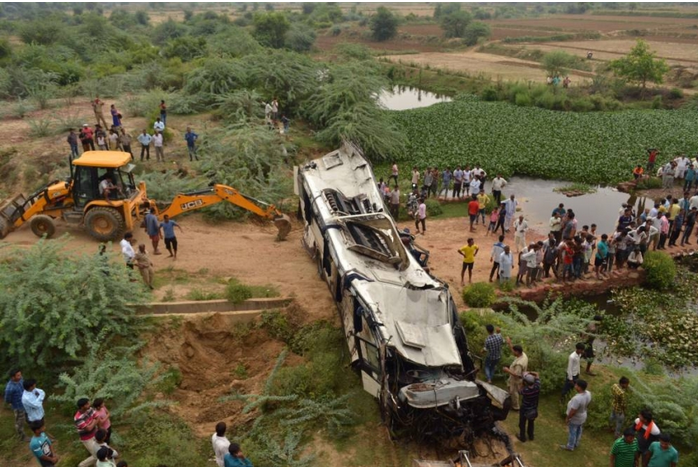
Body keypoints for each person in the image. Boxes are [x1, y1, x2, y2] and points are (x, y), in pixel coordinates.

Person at [560, 379, 591, 451]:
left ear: (579, 388)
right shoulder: (588, 393)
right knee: (579, 430)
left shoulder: (577, 399)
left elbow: (573, 411)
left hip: (575, 418)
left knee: (572, 432)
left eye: (576, 385)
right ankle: (576, 443)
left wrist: (568, 418)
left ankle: (570, 446)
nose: (575, 386)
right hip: (583, 415)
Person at [503, 339, 527, 411]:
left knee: (514, 392)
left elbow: (517, 375)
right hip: (514, 378)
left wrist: (507, 370)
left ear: (517, 352)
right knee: (511, 389)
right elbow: (514, 350)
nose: (513, 352)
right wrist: (509, 343)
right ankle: (511, 400)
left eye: (514, 351)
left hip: (516, 379)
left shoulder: (519, 364)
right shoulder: (523, 354)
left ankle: (516, 407)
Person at [74, 398, 99, 467]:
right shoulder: (78, 418)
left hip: (95, 433)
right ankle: (82, 465)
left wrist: (92, 423)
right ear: (82, 407)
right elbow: (88, 429)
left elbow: (97, 417)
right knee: (96, 455)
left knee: (97, 453)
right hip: (87, 439)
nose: (89, 405)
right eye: (87, 404)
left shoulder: (90, 409)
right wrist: (94, 421)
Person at [518, 371, 540, 443]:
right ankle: (531, 436)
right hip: (533, 408)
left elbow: (519, 391)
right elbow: (537, 374)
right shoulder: (537, 386)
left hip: (525, 409)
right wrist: (530, 372)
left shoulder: (525, 390)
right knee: (531, 422)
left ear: (525, 382)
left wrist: (522, 382)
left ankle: (522, 437)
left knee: (522, 423)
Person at [5, 368, 26, 441]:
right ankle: (21, 436)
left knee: (25, 417)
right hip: (18, 406)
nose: (20, 376)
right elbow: (7, 399)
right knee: (19, 421)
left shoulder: (20, 380)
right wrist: (11, 403)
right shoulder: (10, 388)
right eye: (18, 375)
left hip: (25, 403)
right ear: (13, 377)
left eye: (20, 374)